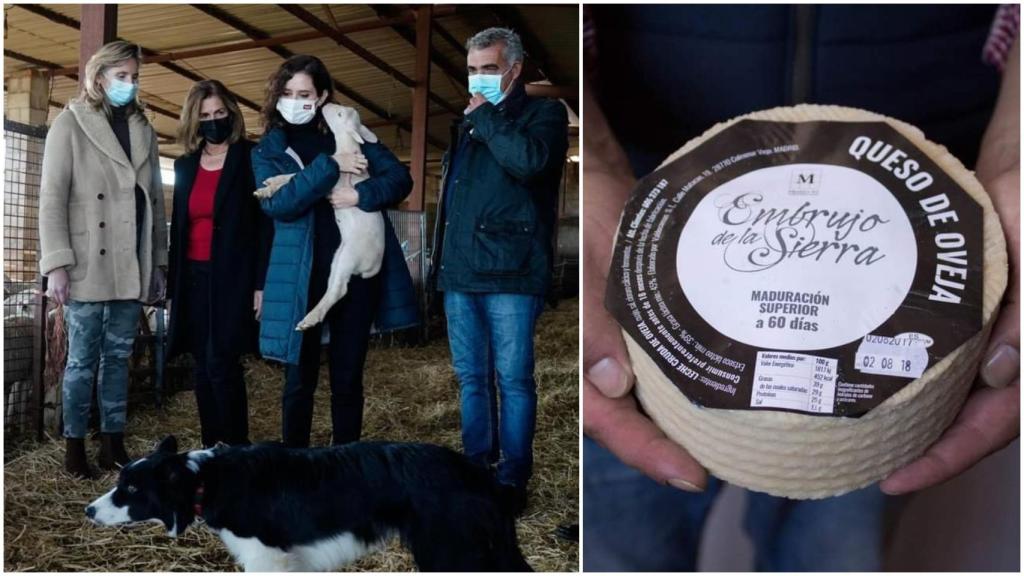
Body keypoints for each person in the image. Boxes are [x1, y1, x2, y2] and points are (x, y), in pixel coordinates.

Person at [582, 5, 1019, 571]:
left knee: (835, 549)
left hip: (922, 234)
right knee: (627, 545)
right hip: (652, 218)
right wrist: (590, 158)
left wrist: (1015, 147)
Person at [429, 27, 569, 514]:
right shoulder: (466, 124)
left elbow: (529, 163)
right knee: (471, 378)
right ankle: (475, 469)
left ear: (515, 68)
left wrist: (487, 116)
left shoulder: (544, 114)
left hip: (512, 270)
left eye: (488, 69)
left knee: (513, 379)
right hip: (462, 270)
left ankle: (511, 479)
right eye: (472, 70)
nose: (478, 78)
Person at [252, 55, 418, 448]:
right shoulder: (268, 150)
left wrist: (360, 192)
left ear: (322, 95)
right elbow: (280, 204)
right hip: (301, 272)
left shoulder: (352, 132)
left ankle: (346, 461)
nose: (295, 101)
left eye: (304, 93)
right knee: (299, 379)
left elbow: (400, 179)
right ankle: (294, 464)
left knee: (347, 376)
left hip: (357, 273)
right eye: (288, 93)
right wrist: (331, 165)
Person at [38, 40, 168, 479]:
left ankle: (113, 444)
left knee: (118, 357)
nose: (129, 85)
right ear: (100, 77)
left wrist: (158, 263)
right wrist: (56, 263)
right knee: (81, 360)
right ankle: (75, 448)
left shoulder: (143, 129)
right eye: (121, 76)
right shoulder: (69, 124)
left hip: (131, 263)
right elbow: (52, 198)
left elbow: (155, 202)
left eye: (134, 77)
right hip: (86, 265)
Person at [166, 80, 271, 448]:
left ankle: (236, 449)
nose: (213, 122)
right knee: (201, 367)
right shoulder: (185, 166)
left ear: (232, 113)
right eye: (205, 116)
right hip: (193, 278)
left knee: (221, 363)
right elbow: (178, 230)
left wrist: (261, 283)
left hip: (233, 278)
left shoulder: (251, 159)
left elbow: (263, 225)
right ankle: (212, 449)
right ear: (194, 122)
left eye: (219, 114)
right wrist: (172, 289)